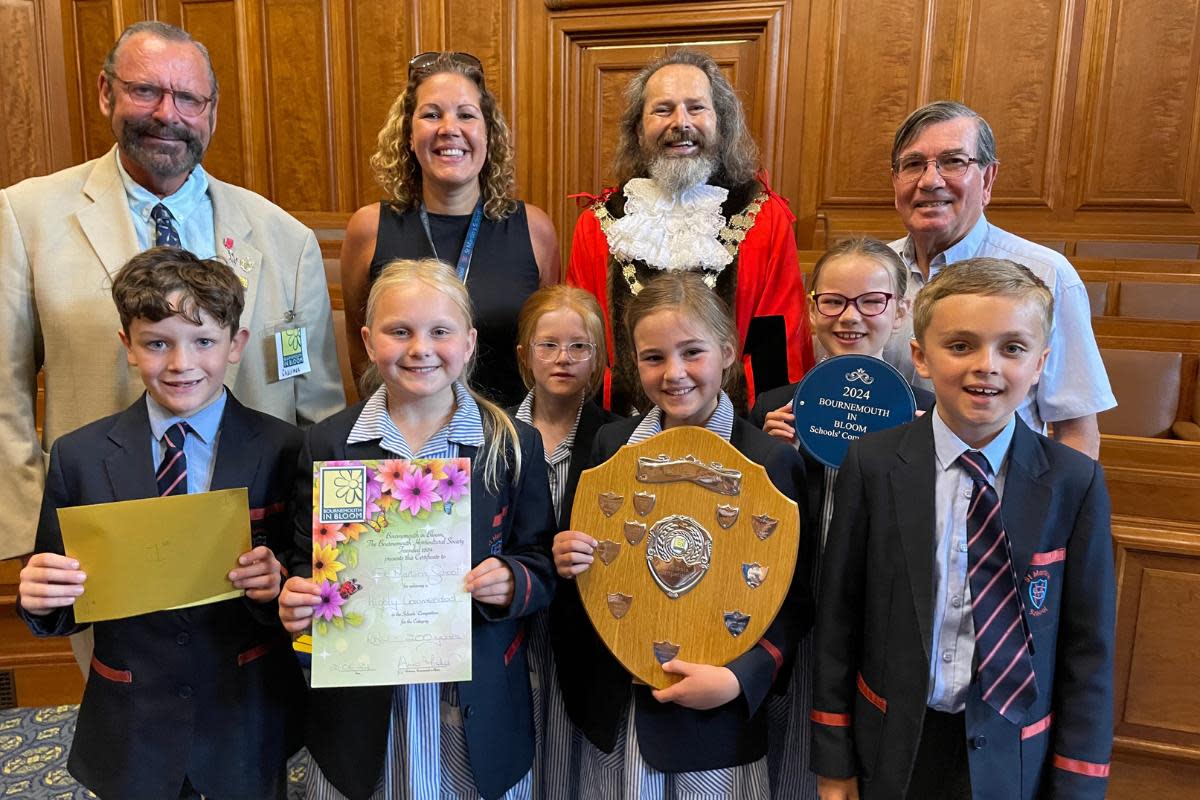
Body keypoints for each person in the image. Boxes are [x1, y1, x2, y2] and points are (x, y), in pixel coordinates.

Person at [0, 20, 344, 563]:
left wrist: (320, 546)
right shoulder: (26, 217)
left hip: (259, 549)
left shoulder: (287, 240)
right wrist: (31, 535)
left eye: (188, 97)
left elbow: (317, 412)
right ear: (106, 92)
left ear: (212, 112)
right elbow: (4, 395)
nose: (167, 113)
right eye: (145, 90)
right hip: (103, 542)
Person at [811, 258, 1115, 800]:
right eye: (960, 346)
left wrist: (1079, 783)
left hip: (1014, 753)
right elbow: (839, 619)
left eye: (1012, 348)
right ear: (922, 358)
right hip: (894, 742)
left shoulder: (1075, 482)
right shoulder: (874, 464)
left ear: (1041, 363)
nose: (986, 366)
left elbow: (1087, 651)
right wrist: (834, 763)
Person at [16, 247, 305, 799]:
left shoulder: (283, 447)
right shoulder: (79, 456)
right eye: (157, 343)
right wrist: (42, 598)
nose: (181, 364)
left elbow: (303, 571)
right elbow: (62, 593)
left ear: (235, 345)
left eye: (203, 342)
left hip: (243, 714)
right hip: (132, 720)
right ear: (127, 345)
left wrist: (279, 583)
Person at [278, 259, 557, 800]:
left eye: (440, 331)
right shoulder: (329, 445)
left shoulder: (511, 444)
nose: (419, 348)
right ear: (367, 338)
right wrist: (297, 597)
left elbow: (540, 558)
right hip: (365, 706)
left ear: (470, 342)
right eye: (398, 331)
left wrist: (512, 579)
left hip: (469, 700)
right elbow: (300, 559)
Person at [551, 271, 811, 799]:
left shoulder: (769, 460)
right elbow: (587, 553)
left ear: (727, 352)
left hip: (715, 723)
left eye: (692, 352)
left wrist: (742, 676)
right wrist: (566, 553)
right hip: (619, 716)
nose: (674, 374)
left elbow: (796, 596)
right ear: (633, 363)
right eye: (653, 358)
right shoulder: (610, 445)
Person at [748, 237, 934, 800]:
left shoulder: (929, 413)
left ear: (901, 310)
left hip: (873, 629)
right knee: (786, 761)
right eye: (832, 301)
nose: (850, 317)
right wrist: (766, 450)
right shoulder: (771, 408)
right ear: (811, 308)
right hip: (791, 621)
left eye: (872, 301)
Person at [567, 50, 814, 416]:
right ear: (638, 129)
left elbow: (778, 347)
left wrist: (756, 432)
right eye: (663, 110)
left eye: (696, 108)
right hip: (619, 434)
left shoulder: (764, 219)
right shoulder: (597, 225)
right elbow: (583, 344)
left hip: (733, 437)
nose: (681, 122)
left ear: (721, 123)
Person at [882, 100, 1114, 458]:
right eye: (913, 165)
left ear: (987, 179)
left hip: (997, 501)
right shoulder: (873, 273)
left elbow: (1076, 430)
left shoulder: (1048, 275)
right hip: (887, 493)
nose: (930, 181)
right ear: (895, 180)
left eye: (954, 162)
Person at [340, 51, 560, 407]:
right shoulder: (369, 229)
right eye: (431, 114)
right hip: (410, 448)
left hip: (509, 442)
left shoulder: (534, 229)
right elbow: (359, 348)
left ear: (488, 136)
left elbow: (548, 347)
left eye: (466, 115)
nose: (449, 128)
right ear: (408, 136)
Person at [509, 285, 619, 798]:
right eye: (547, 345)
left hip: (586, 629)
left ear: (597, 359)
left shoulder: (620, 438)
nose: (562, 359)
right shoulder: (494, 433)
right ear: (524, 356)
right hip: (515, 625)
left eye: (579, 347)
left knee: (575, 760)